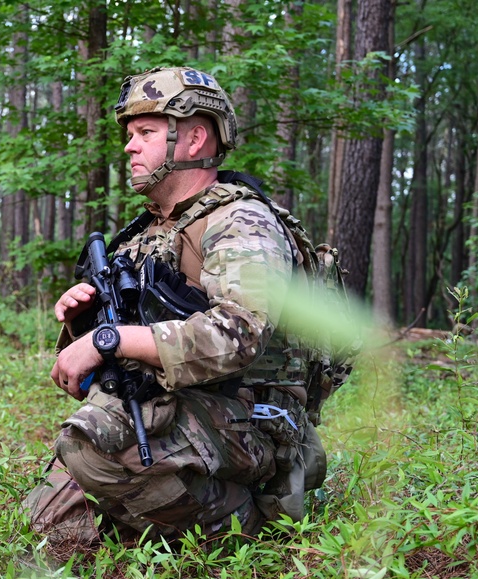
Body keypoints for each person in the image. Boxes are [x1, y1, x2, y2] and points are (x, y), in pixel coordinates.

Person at [24, 66, 326, 543]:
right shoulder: (144, 236)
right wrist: (85, 323)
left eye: (145, 132)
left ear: (194, 139)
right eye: (129, 134)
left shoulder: (241, 222)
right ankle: (166, 516)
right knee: (48, 525)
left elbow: (240, 334)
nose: (129, 146)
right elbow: (96, 374)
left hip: (250, 418)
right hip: (182, 406)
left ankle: (244, 524)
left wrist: (110, 338)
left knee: (91, 448)